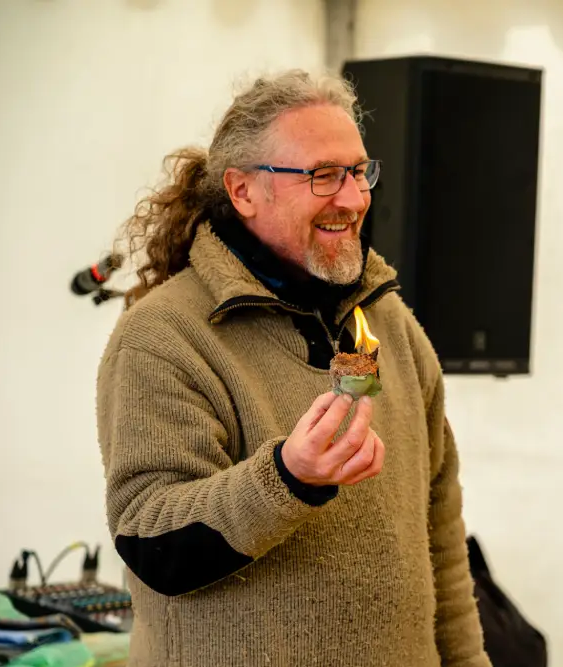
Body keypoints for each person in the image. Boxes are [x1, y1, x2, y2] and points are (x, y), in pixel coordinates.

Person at [95, 69, 491, 667]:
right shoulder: (163, 336)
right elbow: (150, 540)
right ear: (243, 191)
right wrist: (287, 478)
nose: (353, 199)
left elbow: (442, 537)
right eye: (323, 175)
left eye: (358, 172)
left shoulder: (391, 324)